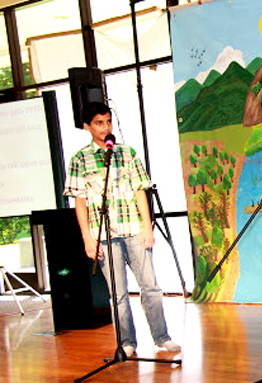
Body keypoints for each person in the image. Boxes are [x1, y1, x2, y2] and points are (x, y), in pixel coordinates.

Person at [63, 102, 180, 358]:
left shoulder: (127, 153)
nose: (106, 128)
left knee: (151, 287)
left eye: (108, 122)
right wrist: (87, 239)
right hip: (104, 235)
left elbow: (140, 191)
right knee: (118, 294)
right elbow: (79, 203)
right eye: (99, 123)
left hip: (134, 230)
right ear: (87, 126)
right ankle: (127, 342)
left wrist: (147, 227)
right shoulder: (79, 160)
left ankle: (162, 337)